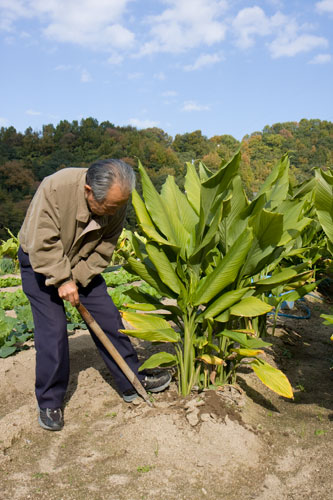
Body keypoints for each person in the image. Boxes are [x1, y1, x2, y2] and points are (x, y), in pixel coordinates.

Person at [18, 159, 171, 431]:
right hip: (40, 261)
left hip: (80, 262)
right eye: (109, 206)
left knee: (109, 318)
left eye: (118, 206)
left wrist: (75, 278)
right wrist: (62, 279)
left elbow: (103, 250)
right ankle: (50, 401)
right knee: (53, 331)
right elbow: (42, 242)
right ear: (89, 191)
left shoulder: (116, 203)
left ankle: (131, 381)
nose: (114, 212)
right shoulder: (56, 187)